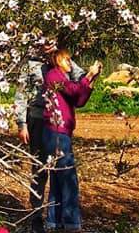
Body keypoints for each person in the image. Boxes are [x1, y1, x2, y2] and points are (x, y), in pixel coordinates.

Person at [14, 40, 85, 233]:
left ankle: (56, 217)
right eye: (44, 42)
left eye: (51, 41)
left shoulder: (61, 61)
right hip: (36, 118)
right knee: (39, 167)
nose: (47, 45)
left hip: (57, 121)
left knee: (59, 168)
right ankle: (36, 214)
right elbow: (20, 94)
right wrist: (21, 123)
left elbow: (79, 75)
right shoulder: (30, 64)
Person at [42, 47, 102, 233]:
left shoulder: (62, 78)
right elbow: (73, 90)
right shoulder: (53, 77)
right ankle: (70, 222)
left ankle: (55, 221)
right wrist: (87, 76)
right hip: (56, 132)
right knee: (68, 177)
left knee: (59, 178)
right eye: (67, 59)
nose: (70, 63)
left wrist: (91, 80)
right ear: (58, 60)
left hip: (62, 132)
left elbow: (79, 100)